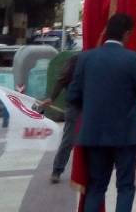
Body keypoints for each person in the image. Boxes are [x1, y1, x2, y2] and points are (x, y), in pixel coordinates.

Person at [67, 14, 136, 212]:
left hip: (94, 133)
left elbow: (72, 95)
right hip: (126, 134)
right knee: (125, 186)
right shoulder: (133, 59)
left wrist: (92, 107)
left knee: (96, 187)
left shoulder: (86, 58)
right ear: (127, 33)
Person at [42, 53, 79, 183]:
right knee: (69, 139)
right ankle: (57, 170)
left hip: (90, 107)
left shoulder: (96, 58)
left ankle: (92, 171)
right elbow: (62, 80)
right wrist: (51, 98)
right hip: (75, 106)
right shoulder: (76, 59)